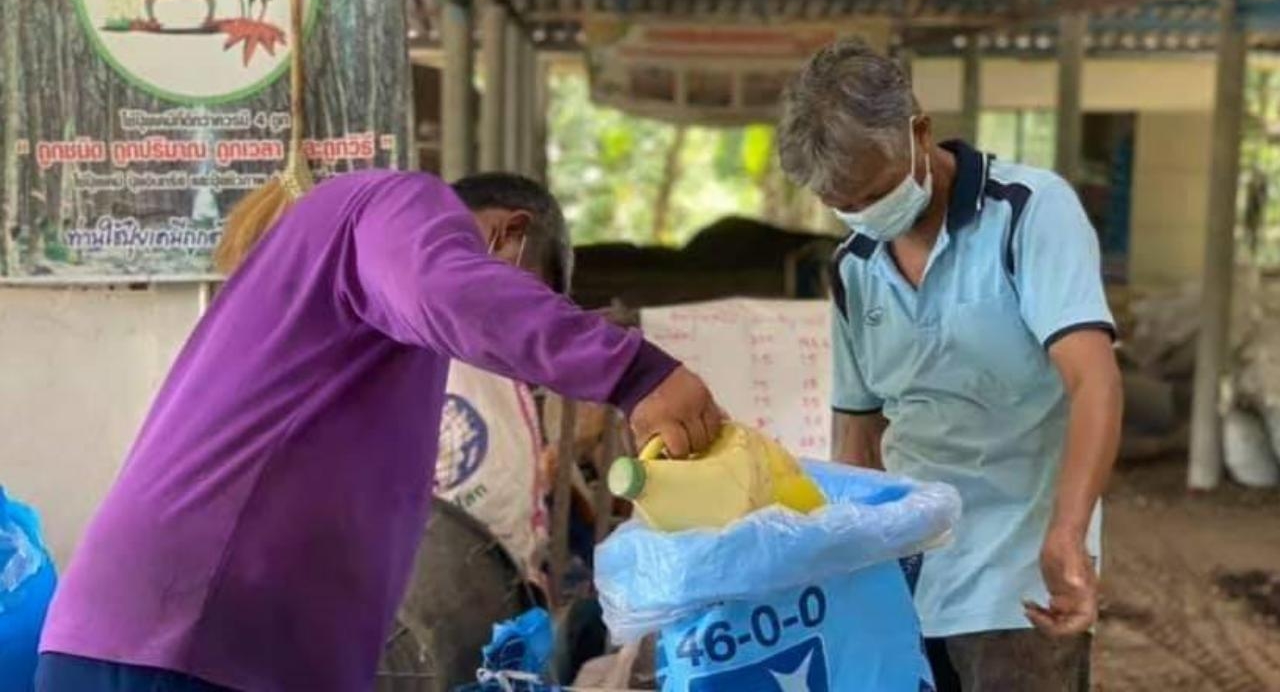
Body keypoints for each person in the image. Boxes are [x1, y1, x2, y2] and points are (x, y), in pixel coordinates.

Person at [37, 171, 723, 692]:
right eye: (525, 291)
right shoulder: (398, 202)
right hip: (184, 641)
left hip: (216, 648)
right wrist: (633, 372)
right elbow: (459, 294)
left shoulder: (364, 317)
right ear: (509, 235)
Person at [777, 40, 1123, 692]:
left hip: (1019, 580)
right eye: (844, 204)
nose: (866, 214)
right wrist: (847, 556)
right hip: (904, 580)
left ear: (920, 132)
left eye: (875, 191)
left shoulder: (1029, 213)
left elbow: (1093, 381)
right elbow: (860, 431)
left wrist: (1069, 533)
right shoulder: (852, 269)